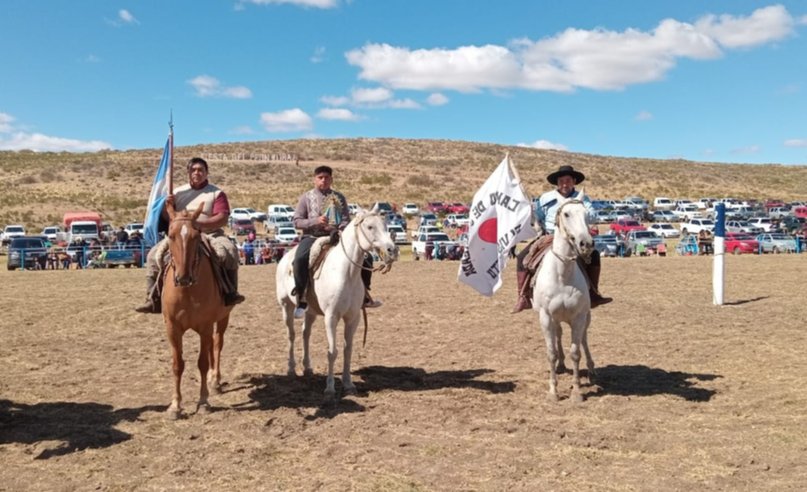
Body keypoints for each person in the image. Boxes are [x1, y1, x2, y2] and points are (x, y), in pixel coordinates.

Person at [135, 157, 245, 313]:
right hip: (180, 236)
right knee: (153, 256)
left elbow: (222, 217)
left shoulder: (216, 193)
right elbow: (169, 218)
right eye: (193, 170)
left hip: (210, 234)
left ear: (207, 173)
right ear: (188, 173)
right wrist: (167, 206)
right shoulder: (177, 192)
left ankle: (230, 293)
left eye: (201, 170)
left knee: (230, 251)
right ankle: (152, 299)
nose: (197, 173)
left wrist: (200, 225)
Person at [512, 165, 613, 313]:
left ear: (574, 181)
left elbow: (593, 216)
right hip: (549, 236)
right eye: (561, 181)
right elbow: (538, 217)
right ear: (557, 183)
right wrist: (532, 213)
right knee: (522, 257)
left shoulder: (581, 198)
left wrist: (582, 212)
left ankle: (593, 293)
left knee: (595, 255)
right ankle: (523, 296)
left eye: (568, 180)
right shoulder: (546, 198)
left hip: (574, 238)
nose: (564, 184)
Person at [292, 165, 381, 319]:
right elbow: (297, 221)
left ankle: (364, 296)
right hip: (312, 237)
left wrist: (340, 229)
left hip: (337, 237)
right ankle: (302, 298)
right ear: (315, 179)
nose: (323, 180)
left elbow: (346, 219)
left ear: (331, 179)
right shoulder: (306, 198)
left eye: (326, 177)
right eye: (320, 177)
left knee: (366, 258)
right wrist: (315, 221)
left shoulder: (339, 197)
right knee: (299, 259)